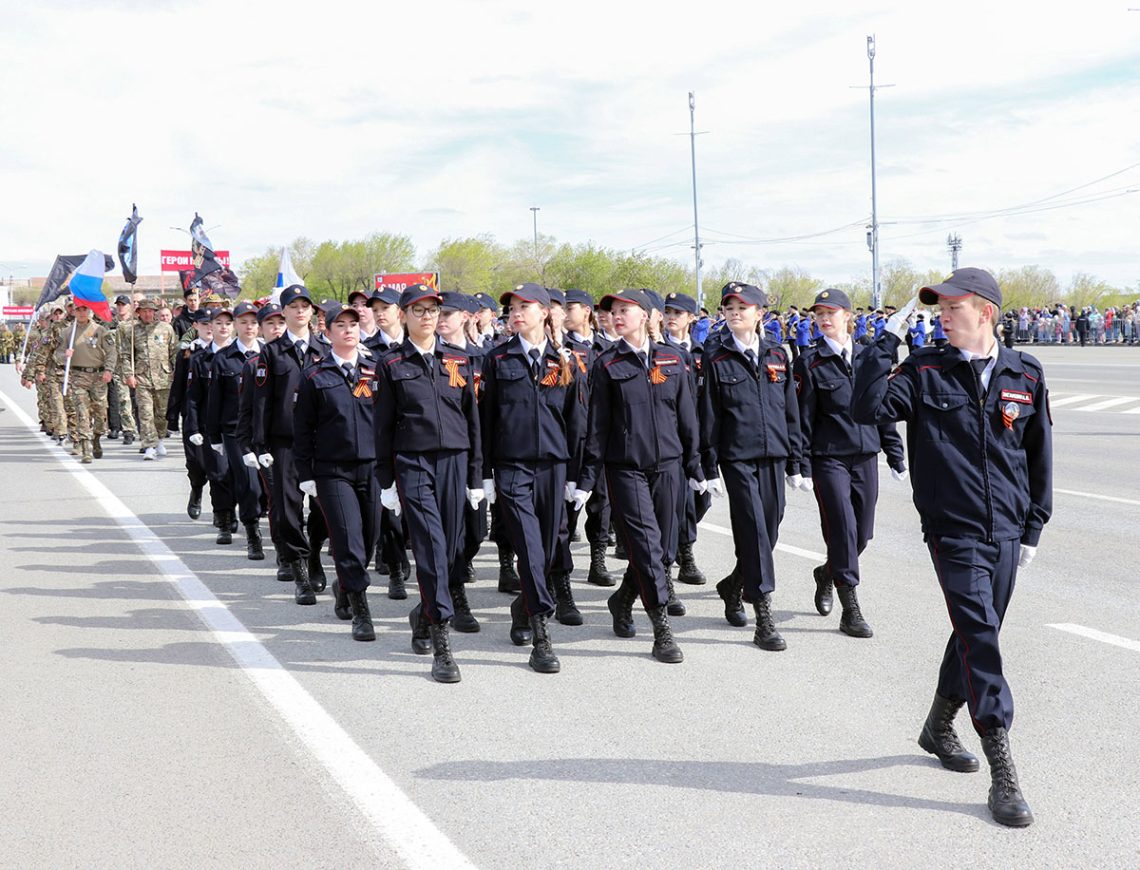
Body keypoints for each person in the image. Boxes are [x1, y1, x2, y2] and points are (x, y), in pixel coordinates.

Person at [851, 267, 1052, 828]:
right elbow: (865, 409)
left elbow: (1039, 454)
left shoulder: (1025, 372)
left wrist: (1034, 526)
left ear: (985, 311)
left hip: (1008, 531)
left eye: (952, 308)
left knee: (975, 631)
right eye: (938, 309)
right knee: (982, 637)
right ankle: (1003, 767)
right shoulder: (923, 370)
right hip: (954, 530)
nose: (941, 315)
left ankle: (938, 723)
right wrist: (884, 343)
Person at [574, 288, 705, 664]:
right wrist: (587, 478)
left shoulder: (673, 359)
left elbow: (687, 418)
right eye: (613, 311)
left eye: (625, 310)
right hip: (625, 468)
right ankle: (661, 628)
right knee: (647, 547)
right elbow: (596, 426)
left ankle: (623, 599)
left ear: (647, 316)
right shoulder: (607, 364)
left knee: (662, 550)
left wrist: (695, 467)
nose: (616, 316)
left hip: (669, 466)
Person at [373, 284, 482, 683]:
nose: (427, 317)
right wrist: (386, 480)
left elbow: (473, 422)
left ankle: (423, 614)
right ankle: (442, 643)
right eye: (417, 310)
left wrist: (475, 476)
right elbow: (382, 427)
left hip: (454, 461)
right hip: (413, 463)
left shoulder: (458, 360)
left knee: (452, 550)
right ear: (404, 315)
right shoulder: (390, 364)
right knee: (432, 549)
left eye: (433, 310)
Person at [480, 283, 587, 672]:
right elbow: (486, 419)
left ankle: (522, 608)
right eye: (512, 307)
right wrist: (485, 472)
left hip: (553, 466)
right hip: (512, 466)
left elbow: (577, 423)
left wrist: (579, 476)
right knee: (528, 545)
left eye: (526, 306)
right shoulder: (497, 358)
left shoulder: (566, 359)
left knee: (546, 549)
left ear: (545, 312)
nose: (516, 312)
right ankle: (542, 636)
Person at [793, 288, 906, 638]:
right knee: (842, 528)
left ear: (848, 316)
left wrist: (894, 451)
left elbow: (880, 406)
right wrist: (802, 464)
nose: (824, 319)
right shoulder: (809, 361)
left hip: (865, 455)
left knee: (862, 533)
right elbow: (803, 417)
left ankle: (827, 572)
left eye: (831, 313)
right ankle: (850, 607)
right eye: (818, 314)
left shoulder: (868, 357)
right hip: (828, 457)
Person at [699, 282, 805, 651]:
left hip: (774, 454)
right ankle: (764, 616)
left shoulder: (778, 353)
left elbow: (790, 410)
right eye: (728, 307)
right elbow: (708, 415)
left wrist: (796, 460)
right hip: (737, 457)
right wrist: (708, 465)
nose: (734, 312)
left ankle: (733, 585)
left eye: (743, 307)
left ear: (760, 313)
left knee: (770, 530)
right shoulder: (714, 355)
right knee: (754, 530)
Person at [295, 302, 381, 644]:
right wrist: (306, 473)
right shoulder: (315, 375)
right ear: (327, 332)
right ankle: (361, 610)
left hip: (373, 467)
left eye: (353, 323)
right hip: (333, 471)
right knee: (347, 541)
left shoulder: (376, 369)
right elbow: (303, 429)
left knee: (370, 540)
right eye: (340, 325)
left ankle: (345, 585)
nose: (348, 329)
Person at [252, 285, 332, 601]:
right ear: (283, 312)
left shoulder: (325, 350)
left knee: (324, 509)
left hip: (320, 442)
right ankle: (299, 568)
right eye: (293, 306)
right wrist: (259, 446)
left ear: (312, 311)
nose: (300, 311)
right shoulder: (271, 353)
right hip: (284, 442)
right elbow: (261, 402)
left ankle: (313, 554)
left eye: (305, 305)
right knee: (287, 509)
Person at [662, 291, 709, 588]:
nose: (671, 317)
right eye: (667, 312)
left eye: (677, 313)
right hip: (671, 436)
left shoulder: (703, 353)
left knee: (701, 497)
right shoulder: (659, 350)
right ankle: (684, 552)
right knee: (679, 499)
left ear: (691, 318)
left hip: (700, 435)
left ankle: (682, 543)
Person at [122, 298, 177, 460]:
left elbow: (174, 352)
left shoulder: (166, 329)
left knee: (162, 413)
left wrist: (175, 370)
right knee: (146, 413)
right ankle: (148, 446)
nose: (148, 314)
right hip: (142, 378)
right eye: (144, 311)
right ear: (139, 312)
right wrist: (129, 374)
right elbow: (126, 355)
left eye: (151, 311)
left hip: (163, 377)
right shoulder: (131, 331)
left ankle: (159, 439)